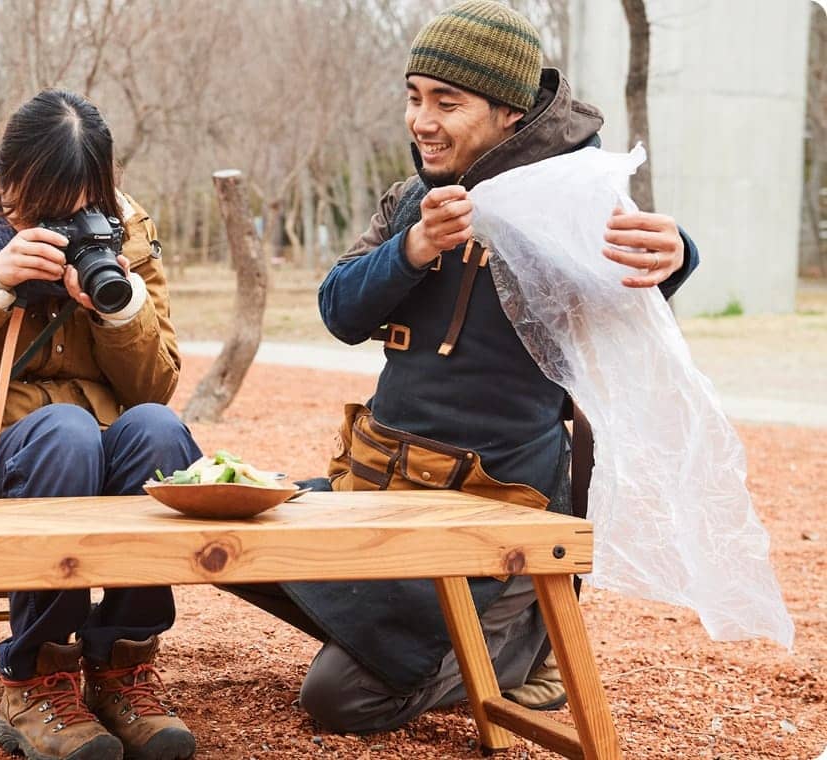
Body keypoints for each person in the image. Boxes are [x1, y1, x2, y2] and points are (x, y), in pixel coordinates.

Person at [224, 0, 700, 736]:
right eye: (414, 97)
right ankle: (395, 632)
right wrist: (410, 251)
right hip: (379, 491)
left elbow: (634, 281)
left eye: (447, 102)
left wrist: (677, 256)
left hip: (495, 516)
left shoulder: (573, 197)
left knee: (339, 700)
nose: (422, 120)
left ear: (510, 112)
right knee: (233, 550)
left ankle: (516, 650)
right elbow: (339, 311)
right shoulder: (412, 199)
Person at [0, 90, 200, 760]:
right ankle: (35, 681)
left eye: (83, 201)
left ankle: (123, 670)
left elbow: (157, 386)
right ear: (5, 176)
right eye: (46, 203)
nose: (65, 219)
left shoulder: (121, 226)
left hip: (83, 466)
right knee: (65, 433)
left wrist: (118, 312)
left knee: (158, 433)